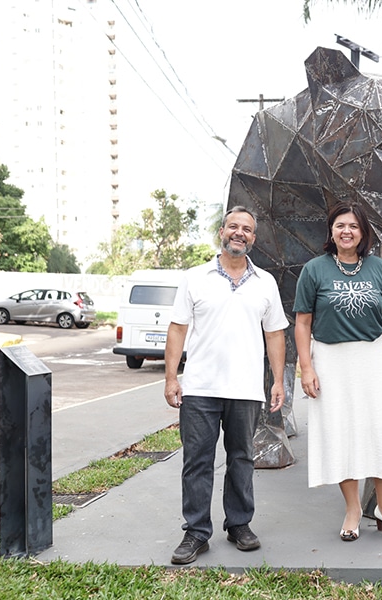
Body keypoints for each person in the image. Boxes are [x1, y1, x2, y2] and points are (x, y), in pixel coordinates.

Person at [163, 206, 288, 565]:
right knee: (197, 461)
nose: (239, 233)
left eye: (247, 229)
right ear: (221, 232)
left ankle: (239, 524)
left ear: (253, 238)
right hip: (200, 387)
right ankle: (196, 532)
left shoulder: (265, 282)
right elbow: (177, 329)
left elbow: (275, 333)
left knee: (241, 460)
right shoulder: (194, 277)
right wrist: (172, 377)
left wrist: (278, 380)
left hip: (246, 389)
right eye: (233, 226)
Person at [293, 203, 382, 542]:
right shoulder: (314, 270)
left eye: (354, 226)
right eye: (340, 225)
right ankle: (353, 509)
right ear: (331, 231)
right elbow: (302, 322)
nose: (347, 231)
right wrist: (307, 367)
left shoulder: (380, 269)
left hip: (376, 358)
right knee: (341, 432)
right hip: (330, 360)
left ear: (363, 233)